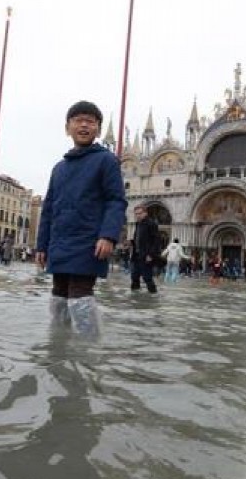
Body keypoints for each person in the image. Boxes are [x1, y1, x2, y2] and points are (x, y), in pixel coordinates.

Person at [36, 100, 127, 336]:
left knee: (80, 297)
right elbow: (48, 210)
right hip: (59, 242)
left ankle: (88, 355)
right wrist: (41, 245)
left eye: (91, 121)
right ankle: (58, 347)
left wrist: (108, 235)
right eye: (78, 120)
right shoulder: (59, 168)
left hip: (89, 241)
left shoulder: (106, 160)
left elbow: (116, 200)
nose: (84, 125)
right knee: (58, 296)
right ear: (68, 128)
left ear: (98, 128)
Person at [130, 204, 159, 294]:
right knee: (134, 277)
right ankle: (135, 297)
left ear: (145, 213)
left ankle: (153, 296)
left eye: (140, 213)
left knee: (147, 277)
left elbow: (156, 240)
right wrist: (131, 243)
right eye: (136, 214)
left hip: (146, 256)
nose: (138, 215)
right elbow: (138, 238)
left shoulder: (151, 223)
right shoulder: (138, 224)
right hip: (136, 255)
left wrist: (151, 255)